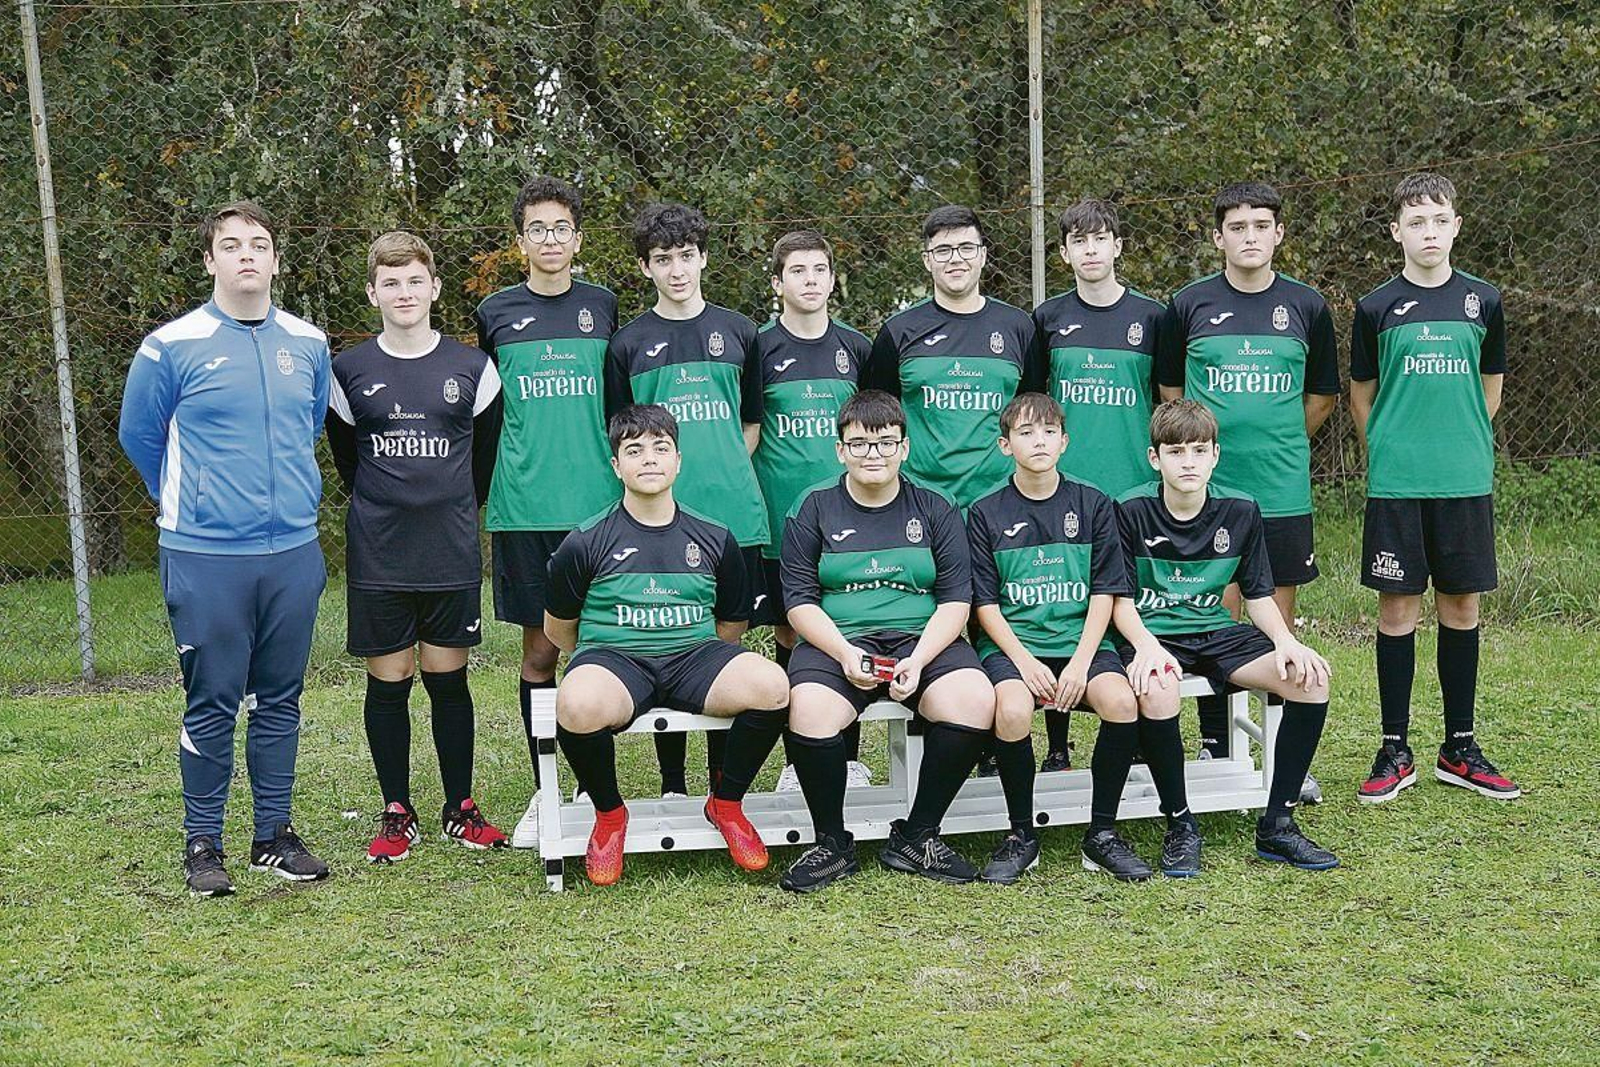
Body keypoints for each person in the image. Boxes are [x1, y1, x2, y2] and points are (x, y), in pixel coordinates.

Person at [118, 200, 332, 896]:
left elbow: (308, 430)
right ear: (210, 260)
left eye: (259, 244)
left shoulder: (309, 342)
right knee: (212, 699)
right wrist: (192, 498)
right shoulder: (169, 345)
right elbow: (140, 438)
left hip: (293, 550)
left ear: (275, 260)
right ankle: (202, 842)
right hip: (205, 555)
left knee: (281, 698)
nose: (247, 255)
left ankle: (273, 834)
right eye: (231, 245)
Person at [545, 405, 790, 886]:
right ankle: (610, 816)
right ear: (616, 465)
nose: (649, 459)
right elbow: (559, 630)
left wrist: (694, 656)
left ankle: (726, 803)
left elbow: (731, 624)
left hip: (693, 656)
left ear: (679, 459)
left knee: (772, 685)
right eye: (634, 450)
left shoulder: (715, 537)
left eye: (660, 448)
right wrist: (603, 654)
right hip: (615, 659)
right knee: (575, 702)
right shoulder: (585, 541)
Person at [326, 231, 508, 865]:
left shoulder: (472, 369)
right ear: (373, 292)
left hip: (449, 550)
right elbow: (348, 461)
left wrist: (447, 507)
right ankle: (397, 809)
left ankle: (460, 807)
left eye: (415, 281)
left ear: (433, 288)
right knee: (390, 678)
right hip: (379, 551)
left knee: (448, 678)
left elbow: (480, 463)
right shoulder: (347, 370)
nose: (404, 293)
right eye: (390, 282)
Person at [1157, 182, 1338, 803]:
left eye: (1262, 225)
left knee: (1275, 620)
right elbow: (1171, 397)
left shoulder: (1308, 306)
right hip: (1210, 492)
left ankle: (1280, 754)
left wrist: (1276, 439)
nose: (1251, 236)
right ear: (1219, 237)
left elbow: (1321, 398)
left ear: (1279, 234)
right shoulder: (1188, 304)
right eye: (1238, 227)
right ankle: (1215, 742)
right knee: (1213, 610)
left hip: (1281, 488)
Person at [778, 390, 996, 893]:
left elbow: (954, 599)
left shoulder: (936, 507)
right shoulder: (812, 507)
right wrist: (844, 653)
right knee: (809, 710)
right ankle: (832, 843)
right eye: (858, 444)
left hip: (921, 639)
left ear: (904, 447)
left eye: (884, 443)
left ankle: (917, 836)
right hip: (841, 640)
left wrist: (918, 660)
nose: (872, 454)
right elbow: (799, 601)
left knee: (973, 701)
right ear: (839, 450)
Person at [1115, 400, 1339, 874]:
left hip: (1214, 631)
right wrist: (1148, 648)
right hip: (1151, 634)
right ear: (1155, 459)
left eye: (1199, 451)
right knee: (1158, 690)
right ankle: (1179, 825)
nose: (1189, 462)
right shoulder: (1130, 509)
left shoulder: (1239, 509)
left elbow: (1258, 595)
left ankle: (1278, 825)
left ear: (1216, 455)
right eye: (1176, 452)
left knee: (1310, 680)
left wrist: (1286, 641)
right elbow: (1117, 600)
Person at [1350, 172, 1518, 804]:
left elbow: (1490, 389)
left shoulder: (1484, 302)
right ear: (1397, 231)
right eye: (1414, 222)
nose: (1428, 232)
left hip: (1463, 480)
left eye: (1438, 220)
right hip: (1397, 482)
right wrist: (1393, 446)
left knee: (1461, 607)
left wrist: (1457, 441)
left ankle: (1460, 745)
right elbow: (1362, 396)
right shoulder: (1376, 307)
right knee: (1397, 609)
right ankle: (1395, 748)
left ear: (1455, 226)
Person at [473, 176, 619, 847]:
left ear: (578, 237)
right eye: (538, 228)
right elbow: (484, 414)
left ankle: (598, 792)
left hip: (599, 509)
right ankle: (549, 786)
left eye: (562, 227)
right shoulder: (495, 312)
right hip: (525, 508)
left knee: (602, 650)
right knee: (539, 653)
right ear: (520, 240)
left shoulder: (605, 307)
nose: (551, 239)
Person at [605, 202, 768, 796]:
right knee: (665, 641)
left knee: (727, 646)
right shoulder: (627, 343)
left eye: (686, 256)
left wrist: (717, 470)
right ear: (646, 267)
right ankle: (673, 783)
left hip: (734, 517)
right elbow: (619, 431)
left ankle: (723, 785)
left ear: (704, 257)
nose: (677, 269)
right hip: (658, 522)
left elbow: (751, 426)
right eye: (662, 259)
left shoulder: (741, 331)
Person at [968, 393, 1147, 882]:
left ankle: (1102, 834)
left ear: (1064, 441)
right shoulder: (985, 512)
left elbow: (1106, 592)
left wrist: (1080, 663)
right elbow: (985, 606)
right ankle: (1022, 834)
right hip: (1014, 646)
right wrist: (1025, 662)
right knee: (1010, 710)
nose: (1038, 440)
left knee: (1121, 702)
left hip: (1081, 643)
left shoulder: (1093, 503)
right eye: (1025, 433)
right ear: (1006, 445)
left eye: (1048, 431)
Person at [1029, 198, 1166, 771]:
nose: (1090, 250)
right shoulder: (1047, 319)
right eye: (1078, 241)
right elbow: (1035, 405)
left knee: (1131, 606)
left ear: (1117, 246)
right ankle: (1058, 746)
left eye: (1100, 239)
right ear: (1064, 253)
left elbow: (1169, 402)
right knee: (1064, 601)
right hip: (1067, 490)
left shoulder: (1154, 318)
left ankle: (1136, 736)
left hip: (1132, 488)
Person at [744, 230, 873, 793]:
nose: (811, 280)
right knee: (793, 634)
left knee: (849, 628)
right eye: (798, 271)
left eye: (820, 269)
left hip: (852, 519)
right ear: (777, 283)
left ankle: (850, 757)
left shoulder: (857, 349)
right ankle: (801, 762)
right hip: (783, 518)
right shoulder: (758, 347)